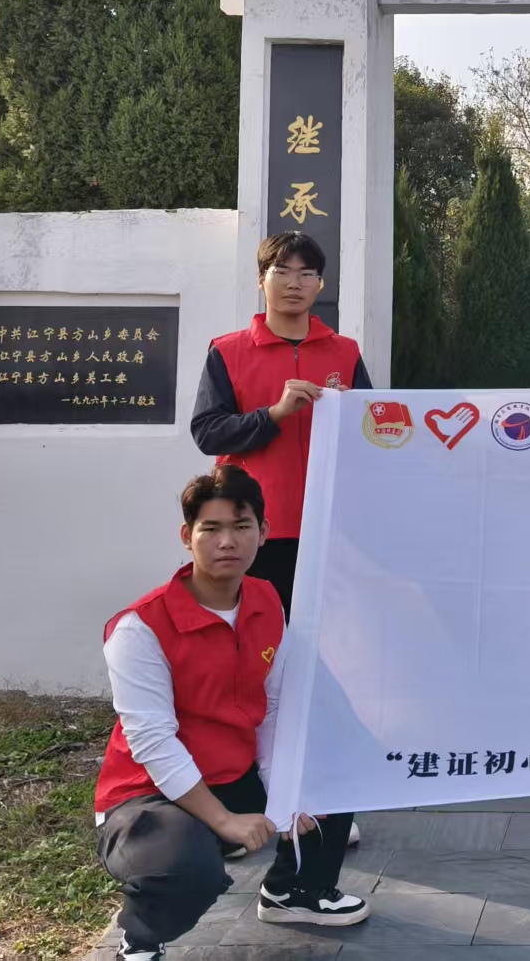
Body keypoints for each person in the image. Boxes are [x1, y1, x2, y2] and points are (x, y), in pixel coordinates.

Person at [94, 465, 367, 959]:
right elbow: (153, 741)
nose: (227, 542)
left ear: (263, 533)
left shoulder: (266, 599)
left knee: (329, 764)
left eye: (242, 527)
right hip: (148, 794)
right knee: (187, 868)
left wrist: (283, 791)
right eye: (211, 528)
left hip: (232, 772)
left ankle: (294, 890)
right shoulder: (140, 627)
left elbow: (275, 705)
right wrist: (224, 821)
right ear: (187, 536)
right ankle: (140, 940)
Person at [191, 230, 371, 618]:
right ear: (261, 280)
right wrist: (273, 415)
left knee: (332, 634)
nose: (294, 283)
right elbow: (208, 432)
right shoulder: (228, 351)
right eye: (282, 272)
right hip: (254, 525)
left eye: (307, 274)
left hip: (332, 524)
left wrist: (359, 417)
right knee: (258, 633)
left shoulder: (345, 352)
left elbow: (370, 433)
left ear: (319, 284)